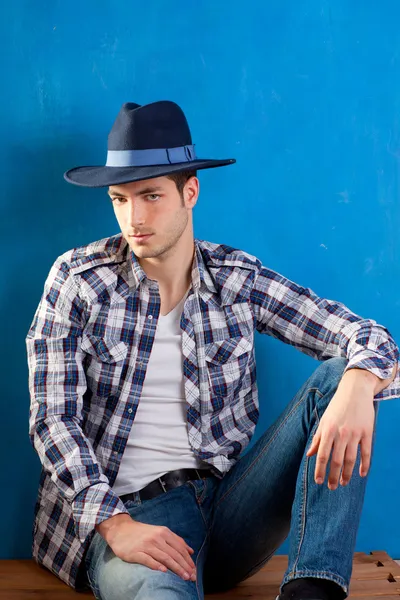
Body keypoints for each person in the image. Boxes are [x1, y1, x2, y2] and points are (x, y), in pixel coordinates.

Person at [26, 100, 399, 600]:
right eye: (119, 198)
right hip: (131, 520)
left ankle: (313, 592)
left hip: (229, 510)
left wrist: (357, 386)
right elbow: (52, 419)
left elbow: (368, 337)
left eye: (151, 195)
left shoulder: (236, 279)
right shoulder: (79, 281)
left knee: (342, 376)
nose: (133, 218)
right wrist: (114, 524)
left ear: (190, 192)